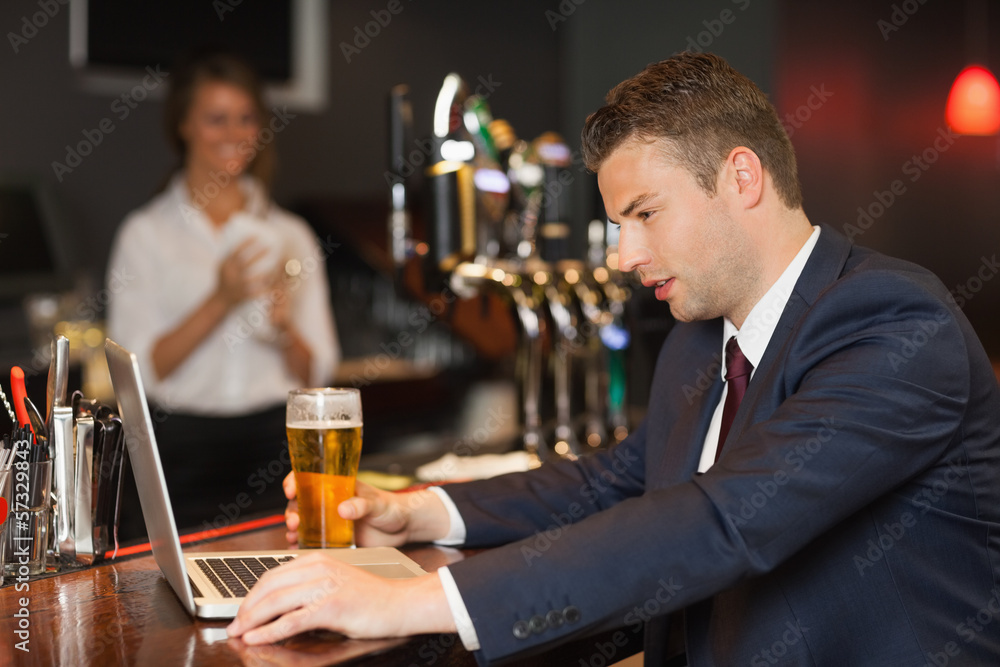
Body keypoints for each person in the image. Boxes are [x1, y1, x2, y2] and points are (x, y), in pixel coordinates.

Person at [226, 52, 1000, 665]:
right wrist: (422, 511)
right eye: (617, 223)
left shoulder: (896, 322)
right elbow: (614, 481)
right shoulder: (701, 338)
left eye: (644, 214)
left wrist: (409, 602)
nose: (624, 255)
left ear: (741, 177)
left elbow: (723, 519)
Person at [107, 50, 339, 534]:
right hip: (180, 456)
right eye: (216, 119)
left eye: (246, 119)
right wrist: (222, 299)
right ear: (184, 126)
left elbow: (318, 372)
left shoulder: (292, 234)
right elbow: (143, 373)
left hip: (276, 453)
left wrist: (281, 330)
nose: (234, 134)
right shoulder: (145, 234)